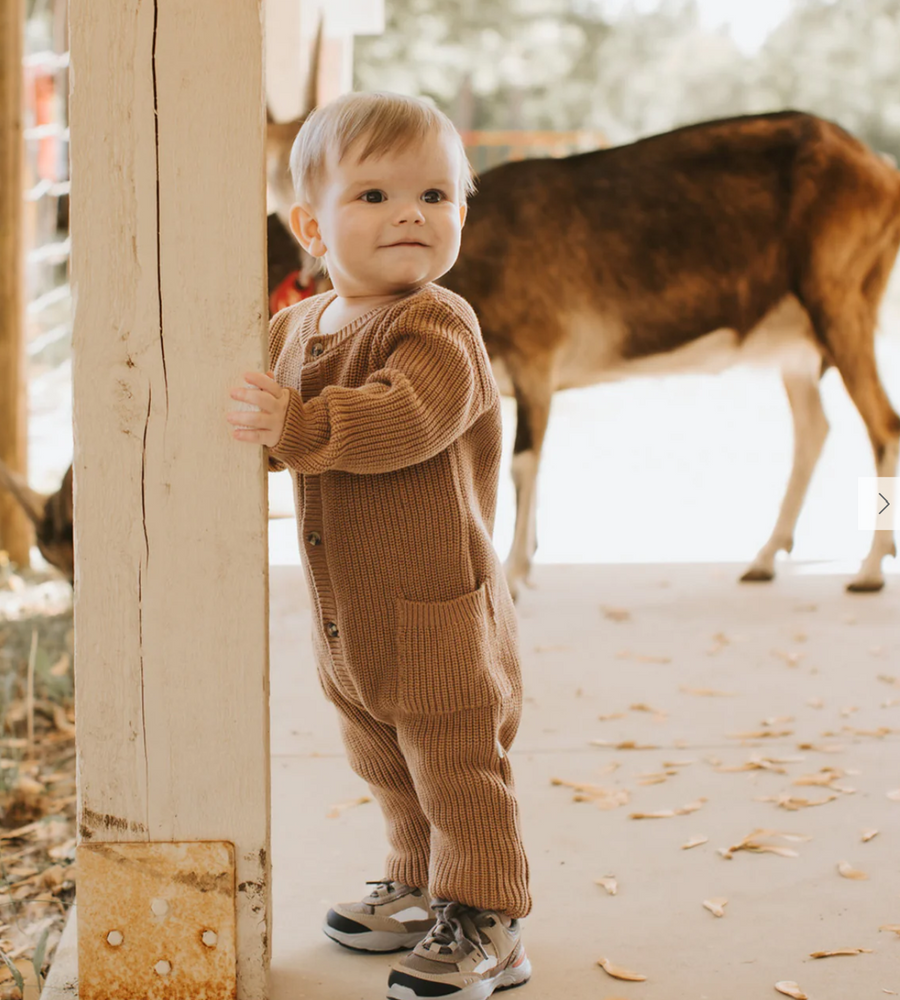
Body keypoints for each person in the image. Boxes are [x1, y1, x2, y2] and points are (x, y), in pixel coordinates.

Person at [228, 91, 531, 1000]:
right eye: (374, 196)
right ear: (310, 228)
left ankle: (488, 916)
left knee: (457, 765)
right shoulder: (294, 328)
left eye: (436, 196)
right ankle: (416, 880)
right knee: (385, 758)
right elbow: (282, 433)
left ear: (461, 216)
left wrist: (300, 424)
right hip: (348, 614)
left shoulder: (439, 324)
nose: (411, 213)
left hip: (438, 607)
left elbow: (406, 419)